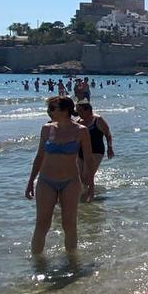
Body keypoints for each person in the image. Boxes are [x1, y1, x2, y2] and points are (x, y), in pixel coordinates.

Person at [26, 97, 95, 254]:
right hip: (46, 181)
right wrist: (30, 181)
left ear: (65, 110)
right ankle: (36, 264)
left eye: (52, 108)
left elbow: (89, 159)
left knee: (69, 224)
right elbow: (39, 157)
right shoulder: (46, 129)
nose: (49, 111)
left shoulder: (81, 131)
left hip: (70, 182)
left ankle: (72, 262)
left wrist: (91, 185)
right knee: (42, 224)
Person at [76, 100, 114, 198]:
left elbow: (108, 134)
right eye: (77, 111)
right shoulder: (79, 122)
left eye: (80, 111)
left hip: (96, 151)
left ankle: (89, 195)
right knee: (79, 176)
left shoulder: (98, 120)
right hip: (81, 151)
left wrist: (110, 148)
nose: (78, 113)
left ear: (88, 110)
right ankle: (85, 193)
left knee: (85, 177)